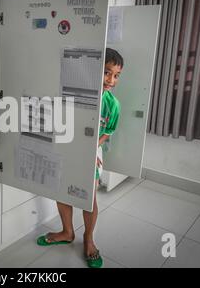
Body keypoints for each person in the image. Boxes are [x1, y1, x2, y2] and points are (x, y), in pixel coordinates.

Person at [36, 48, 123, 269]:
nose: (111, 80)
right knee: (61, 189)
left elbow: (107, 132)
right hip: (67, 147)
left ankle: (89, 239)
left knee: (88, 196)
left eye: (116, 75)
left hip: (92, 152)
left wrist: (91, 152)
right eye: (107, 73)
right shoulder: (73, 95)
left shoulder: (112, 104)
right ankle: (67, 231)